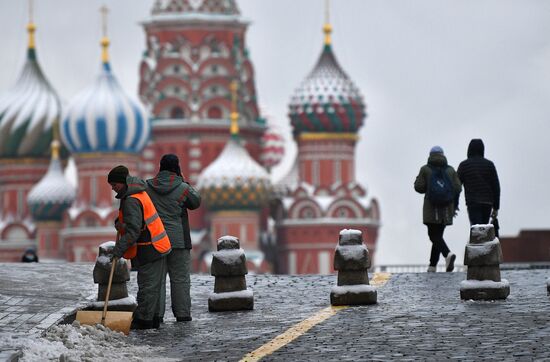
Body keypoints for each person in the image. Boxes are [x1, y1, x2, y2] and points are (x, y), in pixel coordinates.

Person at [108, 165, 172, 330]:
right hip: (155, 246)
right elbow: (134, 222)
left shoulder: (131, 200)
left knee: (147, 287)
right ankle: (153, 319)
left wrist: (118, 251)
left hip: (151, 248)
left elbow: (133, 231)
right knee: (152, 287)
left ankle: (143, 321)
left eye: (114, 184)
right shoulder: (135, 193)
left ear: (123, 182)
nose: (113, 188)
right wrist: (120, 224)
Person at [146, 154, 201, 323]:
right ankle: (182, 314)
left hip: (155, 240)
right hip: (179, 241)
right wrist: (185, 183)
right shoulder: (182, 187)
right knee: (180, 279)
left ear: (160, 167)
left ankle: (156, 314)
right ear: (176, 167)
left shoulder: (148, 187)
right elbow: (195, 202)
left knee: (156, 279)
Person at [414, 146, 462, 272]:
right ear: (443, 155)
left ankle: (447, 254)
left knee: (433, 235)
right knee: (438, 235)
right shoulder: (450, 170)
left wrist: (420, 181)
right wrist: (454, 204)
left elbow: (419, 187)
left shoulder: (425, 169)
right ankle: (432, 266)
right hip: (446, 209)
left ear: (430, 155)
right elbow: (458, 188)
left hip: (431, 208)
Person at [457, 139, 500, 226]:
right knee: (484, 229)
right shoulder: (489, 165)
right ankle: (483, 239)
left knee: (477, 229)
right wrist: (496, 207)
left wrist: (454, 204)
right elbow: (496, 187)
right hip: (487, 202)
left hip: (473, 202)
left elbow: (456, 186)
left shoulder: (464, 165)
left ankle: (479, 239)